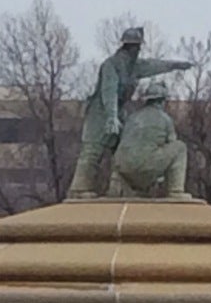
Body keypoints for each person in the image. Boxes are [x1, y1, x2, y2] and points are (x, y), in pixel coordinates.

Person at [66, 27, 191, 198]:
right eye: (135, 47)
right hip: (100, 112)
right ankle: (79, 189)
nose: (137, 50)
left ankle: (118, 190)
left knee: (123, 149)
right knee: (93, 150)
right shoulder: (111, 65)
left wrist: (175, 65)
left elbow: (154, 65)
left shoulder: (134, 66)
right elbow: (108, 90)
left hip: (118, 112)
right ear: (128, 47)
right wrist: (111, 117)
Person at [109, 80, 190, 198]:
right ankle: (175, 191)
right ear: (162, 101)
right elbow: (171, 143)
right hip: (145, 166)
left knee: (135, 154)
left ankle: (120, 188)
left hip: (122, 168)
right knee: (180, 147)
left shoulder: (132, 117)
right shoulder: (165, 119)